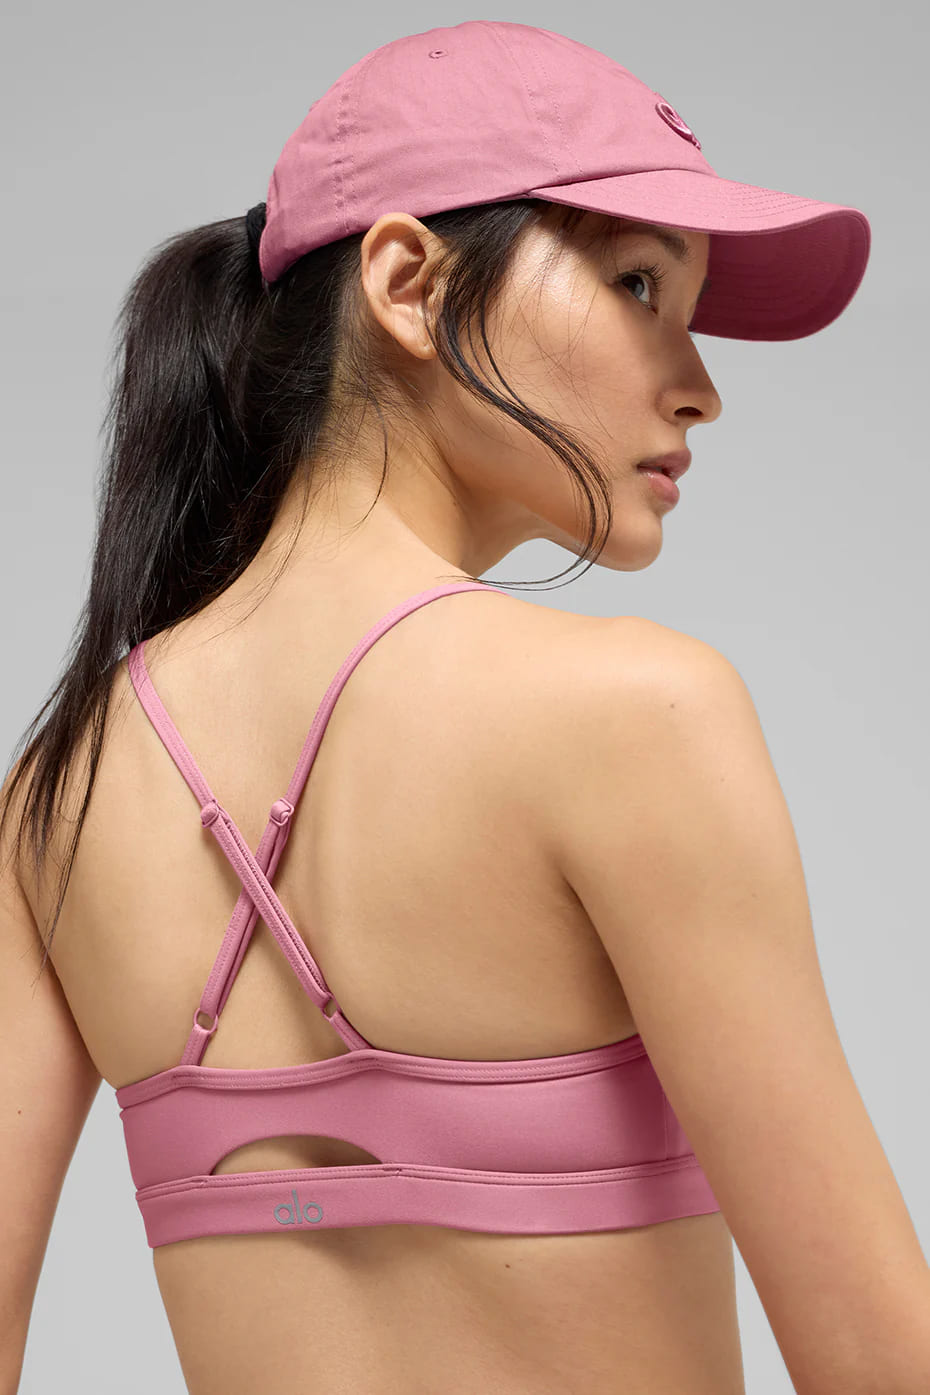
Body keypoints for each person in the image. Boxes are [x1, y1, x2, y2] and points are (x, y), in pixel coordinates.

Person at [2, 19, 927, 1395]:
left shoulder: (60, 790)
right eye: (637, 282)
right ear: (409, 284)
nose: (701, 389)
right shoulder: (633, 716)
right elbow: (877, 1361)